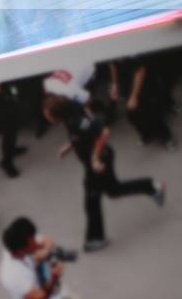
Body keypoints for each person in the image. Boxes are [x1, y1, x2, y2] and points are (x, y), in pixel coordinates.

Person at [43, 95, 165, 251]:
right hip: (95, 163)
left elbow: (103, 133)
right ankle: (152, 187)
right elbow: (81, 134)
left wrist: (95, 158)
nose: (47, 119)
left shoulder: (78, 121)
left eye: (48, 116)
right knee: (113, 191)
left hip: (99, 162)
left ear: (58, 114)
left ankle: (95, 238)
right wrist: (70, 145)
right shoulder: (71, 113)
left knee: (92, 200)